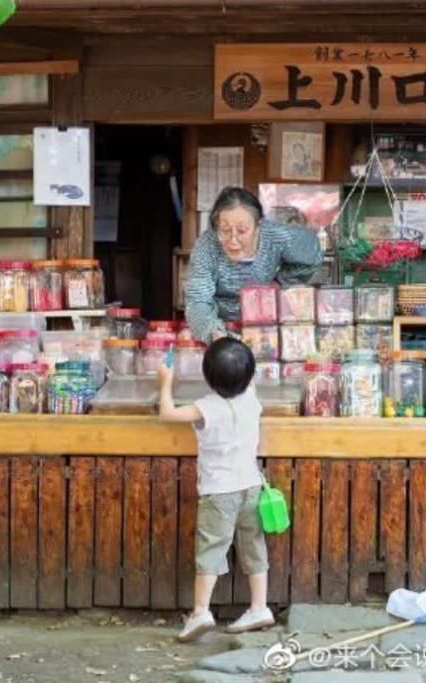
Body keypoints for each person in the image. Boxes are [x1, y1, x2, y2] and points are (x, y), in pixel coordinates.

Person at [157, 337, 273, 640]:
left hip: (219, 492)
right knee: (254, 546)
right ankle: (259, 606)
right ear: (249, 376)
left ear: (207, 377)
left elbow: (167, 414)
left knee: (211, 549)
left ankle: (200, 612)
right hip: (251, 486)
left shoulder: (205, 407)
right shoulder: (251, 398)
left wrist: (166, 380)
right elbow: (244, 372)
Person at [185, 186, 323, 342]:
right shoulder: (207, 245)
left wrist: (281, 282)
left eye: (242, 230)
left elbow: (313, 254)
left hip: (265, 322)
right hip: (220, 324)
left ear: (258, 227)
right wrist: (214, 334)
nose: (233, 240)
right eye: (225, 230)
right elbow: (198, 300)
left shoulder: (277, 235)